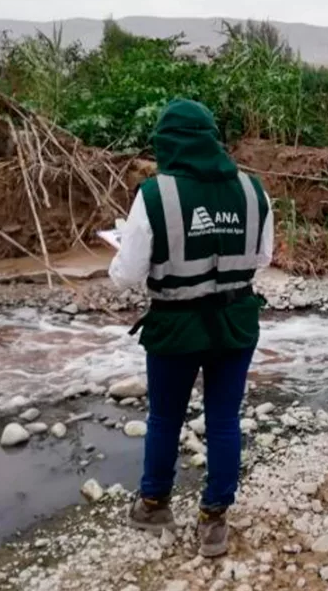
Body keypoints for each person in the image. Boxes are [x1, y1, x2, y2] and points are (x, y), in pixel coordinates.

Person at [108, 98, 273, 557]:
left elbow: (126, 275)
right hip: (236, 323)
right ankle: (214, 520)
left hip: (176, 327)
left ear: (167, 143)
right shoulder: (252, 189)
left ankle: (154, 503)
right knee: (223, 419)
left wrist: (123, 247)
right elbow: (262, 258)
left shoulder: (155, 194)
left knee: (164, 417)